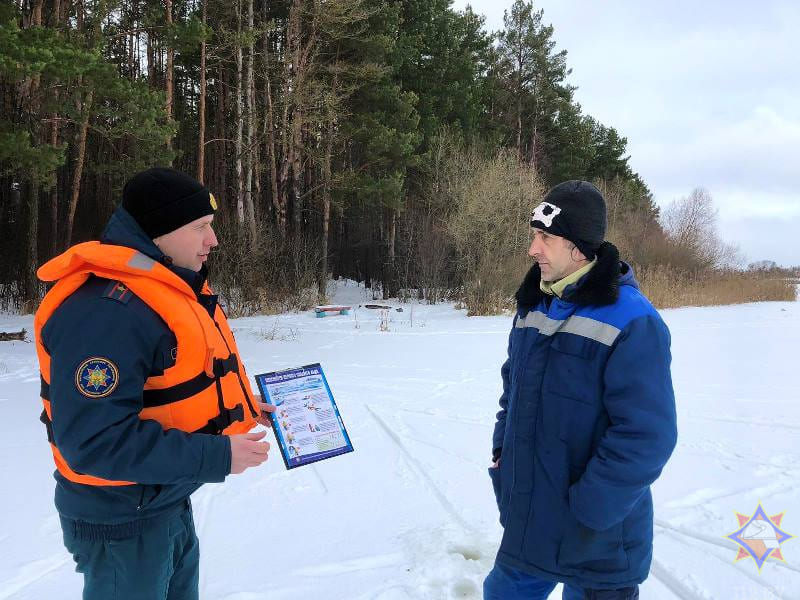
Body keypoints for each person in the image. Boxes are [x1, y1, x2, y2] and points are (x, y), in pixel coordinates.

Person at [34, 167, 276, 600]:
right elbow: (93, 443)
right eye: (200, 227)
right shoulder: (106, 313)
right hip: (121, 521)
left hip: (162, 501)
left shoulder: (160, 289)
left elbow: (169, 392)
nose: (212, 241)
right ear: (159, 232)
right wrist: (216, 454)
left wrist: (242, 405)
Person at [484, 181, 678, 600]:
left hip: (596, 538)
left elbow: (647, 435)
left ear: (579, 248)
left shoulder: (633, 321)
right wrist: (504, 455)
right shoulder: (534, 306)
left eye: (545, 237)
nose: (533, 249)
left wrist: (591, 510)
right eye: (534, 235)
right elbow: (511, 390)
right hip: (532, 520)